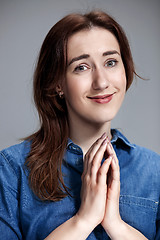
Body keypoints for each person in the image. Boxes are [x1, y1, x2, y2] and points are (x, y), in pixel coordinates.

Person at [0, 10, 159, 240]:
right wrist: (83, 220)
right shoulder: (11, 171)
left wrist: (116, 225)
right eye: (81, 67)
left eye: (111, 62)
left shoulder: (154, 170)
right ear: (58, 84)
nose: (102, 82)